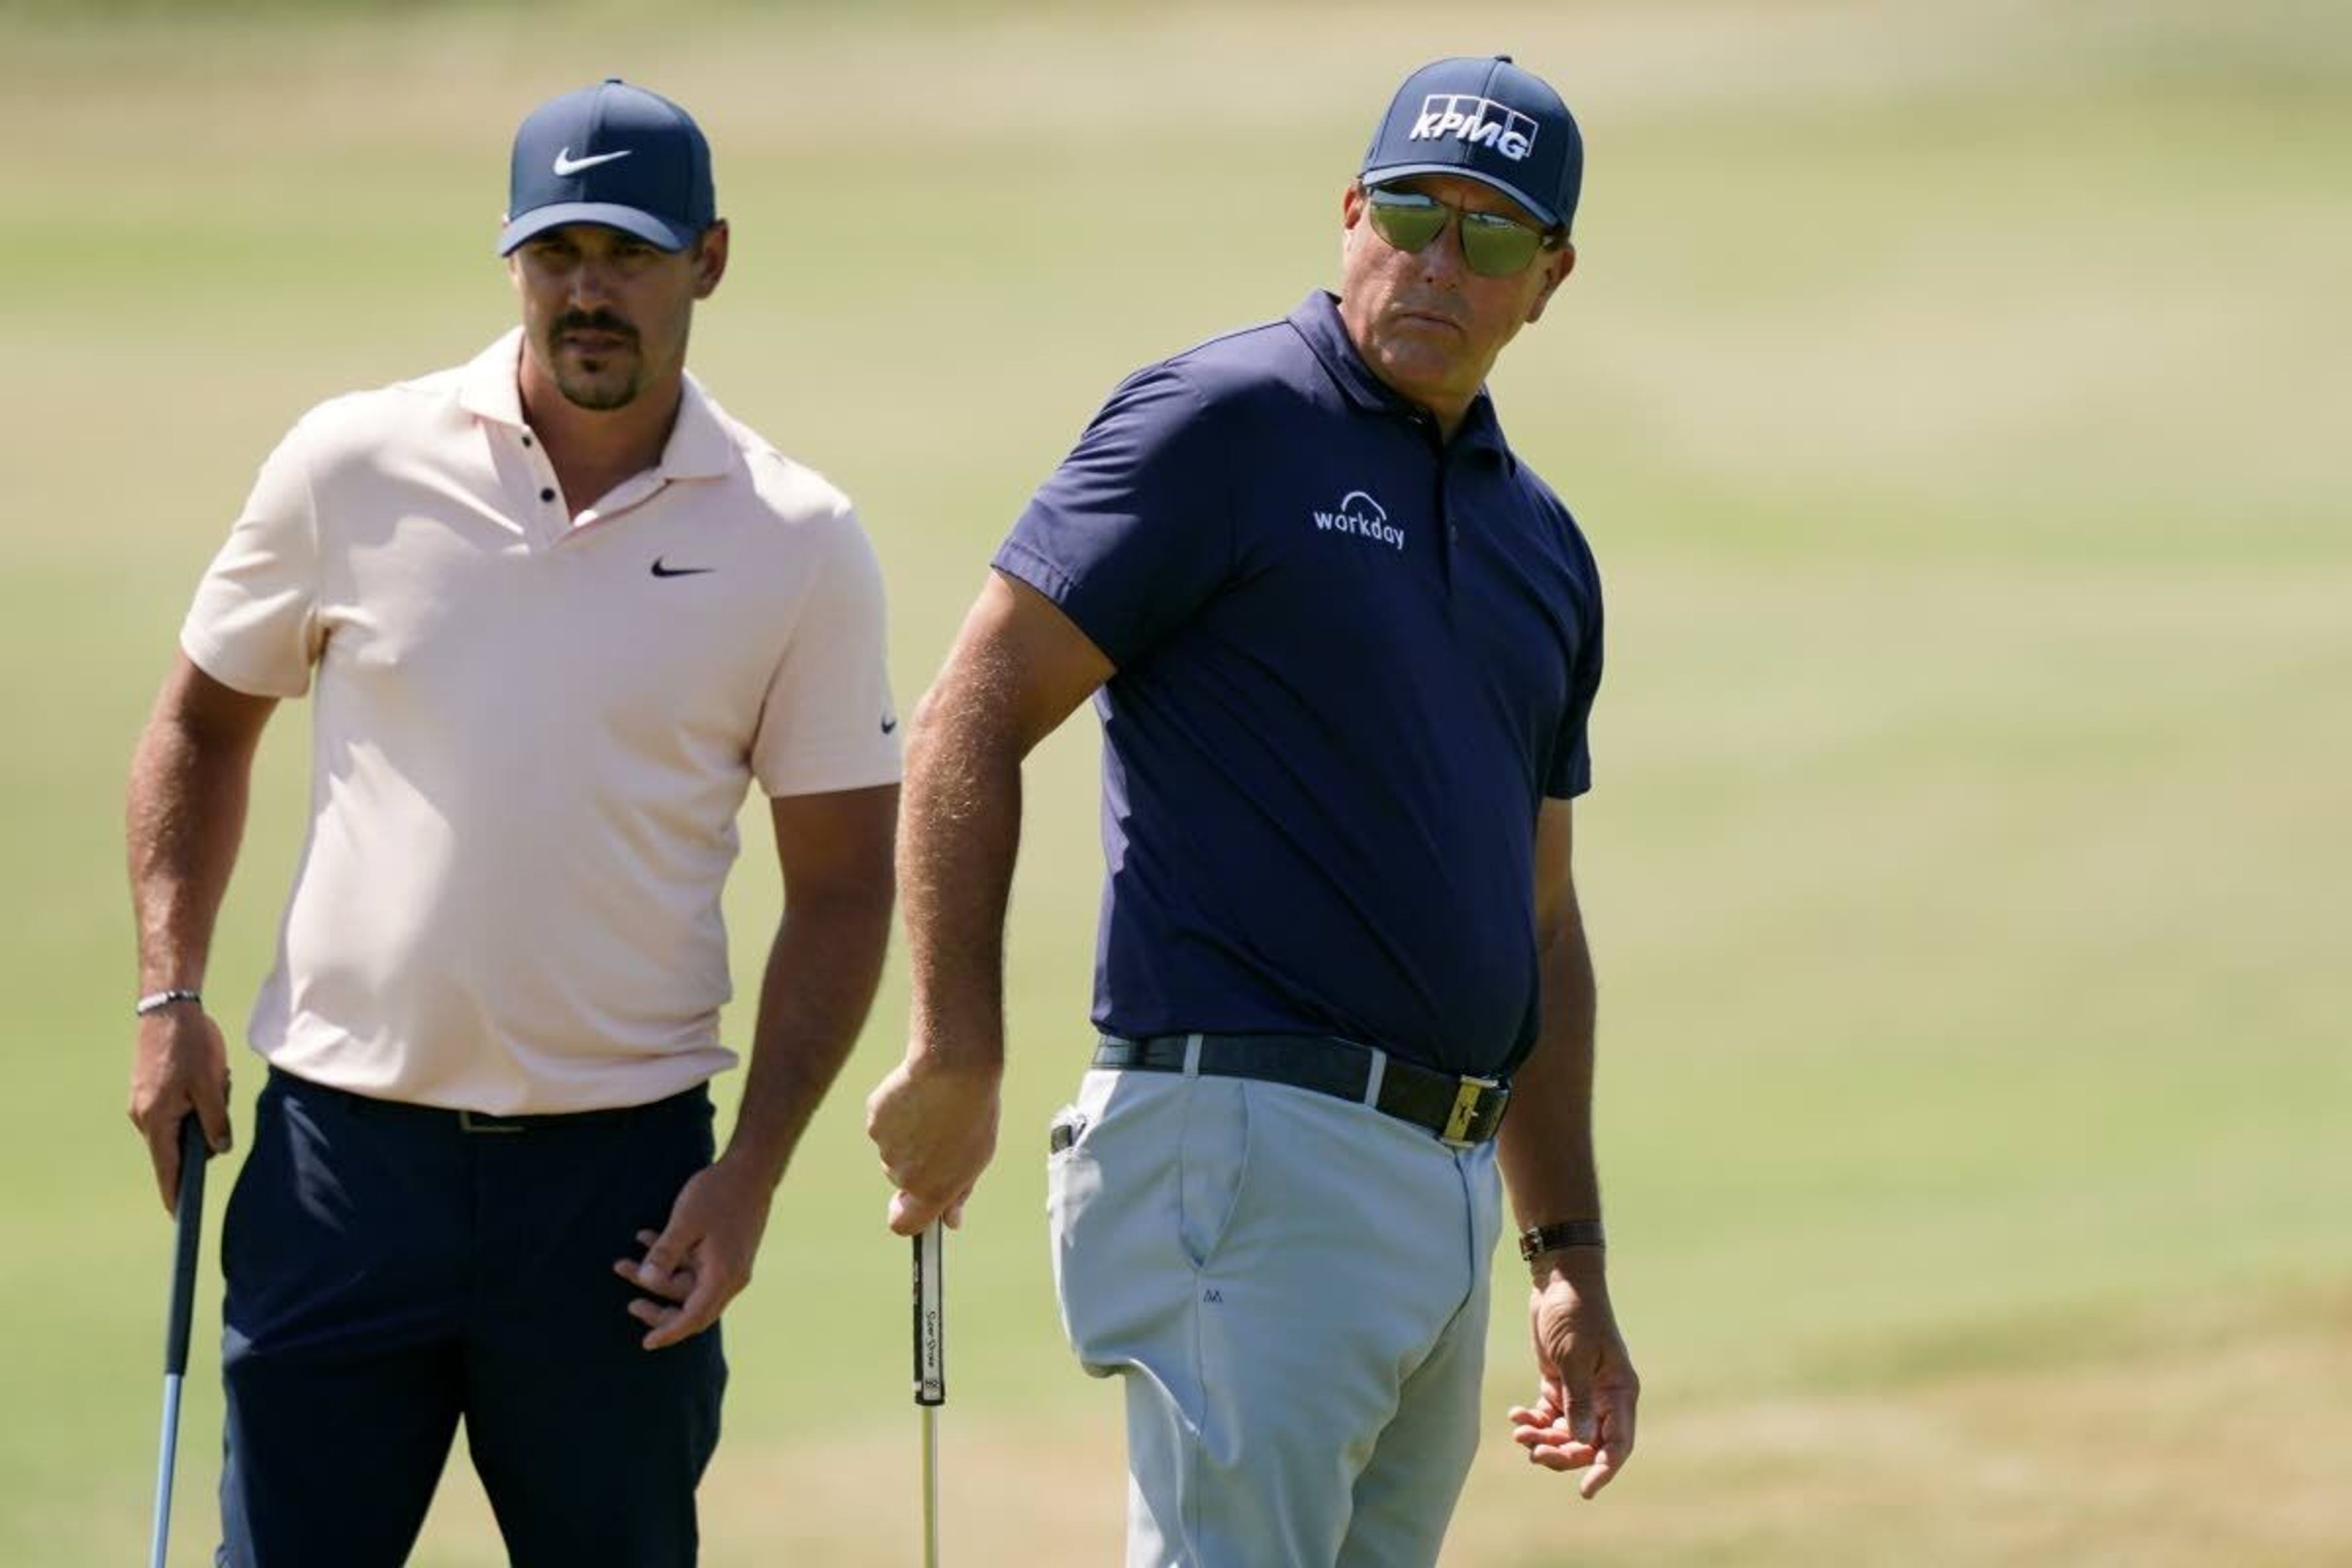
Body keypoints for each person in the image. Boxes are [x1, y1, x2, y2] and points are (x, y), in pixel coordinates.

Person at [867, 53, 1637, 1564]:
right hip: (1245, 1145)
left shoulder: (1541, 541)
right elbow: (972, 707)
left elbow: (1539, 920)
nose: (1436, 261)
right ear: (1352, 210)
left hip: (1446, 1187)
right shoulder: (1222, 421)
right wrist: (956, 1042)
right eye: (1412, 211)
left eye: (1491, 238)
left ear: (1548, 278)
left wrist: (1568, 1253)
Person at [124, 78, 900, 1567]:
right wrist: (171, 993)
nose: (587, 293)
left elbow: (847, 884)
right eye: (556, 255)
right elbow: (198, 724)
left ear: (711, 258)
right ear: (511, 260)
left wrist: (750, 1175)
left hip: (621, 1198)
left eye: (627, 254)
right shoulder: (351, 464)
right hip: (343, 1162)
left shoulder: (796, 540)